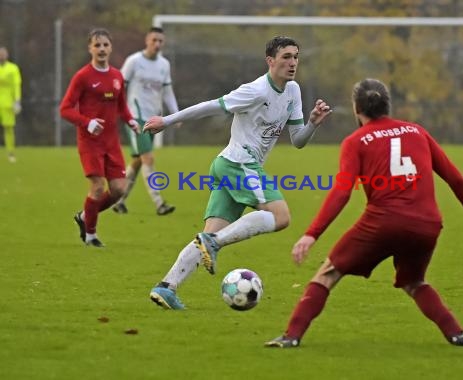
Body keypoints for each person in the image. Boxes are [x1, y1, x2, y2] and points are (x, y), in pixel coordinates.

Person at [264, 78, 463, 348]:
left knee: (327, 273)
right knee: (414, 281)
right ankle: (456, 334)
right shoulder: (417, 132)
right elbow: (456, 180)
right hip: (427, 224)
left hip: (383, 222)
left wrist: (311, 234)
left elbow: (341, 192)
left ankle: (291, 336)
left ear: (356, 109)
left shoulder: (356, 141)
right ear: (387, 104)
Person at [143, 36, 333, 310]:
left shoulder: (293, 91)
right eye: (286, 57)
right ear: (271, 61)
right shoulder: (255, 90)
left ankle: (166, 288)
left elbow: (298, 141)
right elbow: (210, 106)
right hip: (238, 163)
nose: (292, 63)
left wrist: (313, 124)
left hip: (230, 165)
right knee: (281, 216)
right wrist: (167, 121)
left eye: (295, 57)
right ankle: (214, 243)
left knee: (208, 234)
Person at [60, 28, 140, 247]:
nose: (102, 49)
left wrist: (131, 120)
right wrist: (88, 122)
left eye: (105, 45)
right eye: (97, 45)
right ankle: (91, 235)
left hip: (111, 142)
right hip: (90, 142)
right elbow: (65, 109)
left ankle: (85, 216)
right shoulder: (82, 77)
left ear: (111, 47)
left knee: (119, 190)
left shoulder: (116, 76)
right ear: (90, 48)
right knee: (96, 187)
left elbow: (122, 106)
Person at [112, 27, 179, 216]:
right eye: (154, 40)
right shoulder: (134, 61)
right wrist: (116, 109)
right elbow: (119, 85)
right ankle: (159, 203)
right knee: (148, 158)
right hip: (135, 117)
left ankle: (119, 200)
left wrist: (175, 114)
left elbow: (167, 91)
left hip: (153, 119)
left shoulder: (164, 64)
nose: (157, 44)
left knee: (137, 162)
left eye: (160, 41)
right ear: (146, 40)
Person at [0, 46, 22, 163]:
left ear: (7, 55)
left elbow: (16, 85)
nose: (2, 55)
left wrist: (17, 100)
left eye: (3, 53)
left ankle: (10, 152)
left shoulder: (13, 69)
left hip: (8, 103)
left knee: (8, 128)